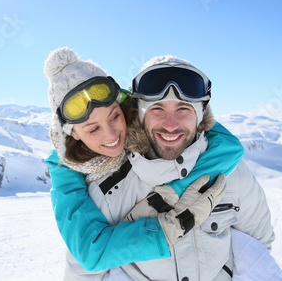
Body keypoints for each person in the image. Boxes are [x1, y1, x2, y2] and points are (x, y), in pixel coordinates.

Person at [43, 48, 253, 279]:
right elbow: (89, 255)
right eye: (93, 129)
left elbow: (227, 145)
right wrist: (165, 225)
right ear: (73, 134)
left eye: (114, 116)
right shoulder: (69, 175)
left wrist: (175, 190)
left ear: (124, 106)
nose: (112, 135)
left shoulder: (142, 115)